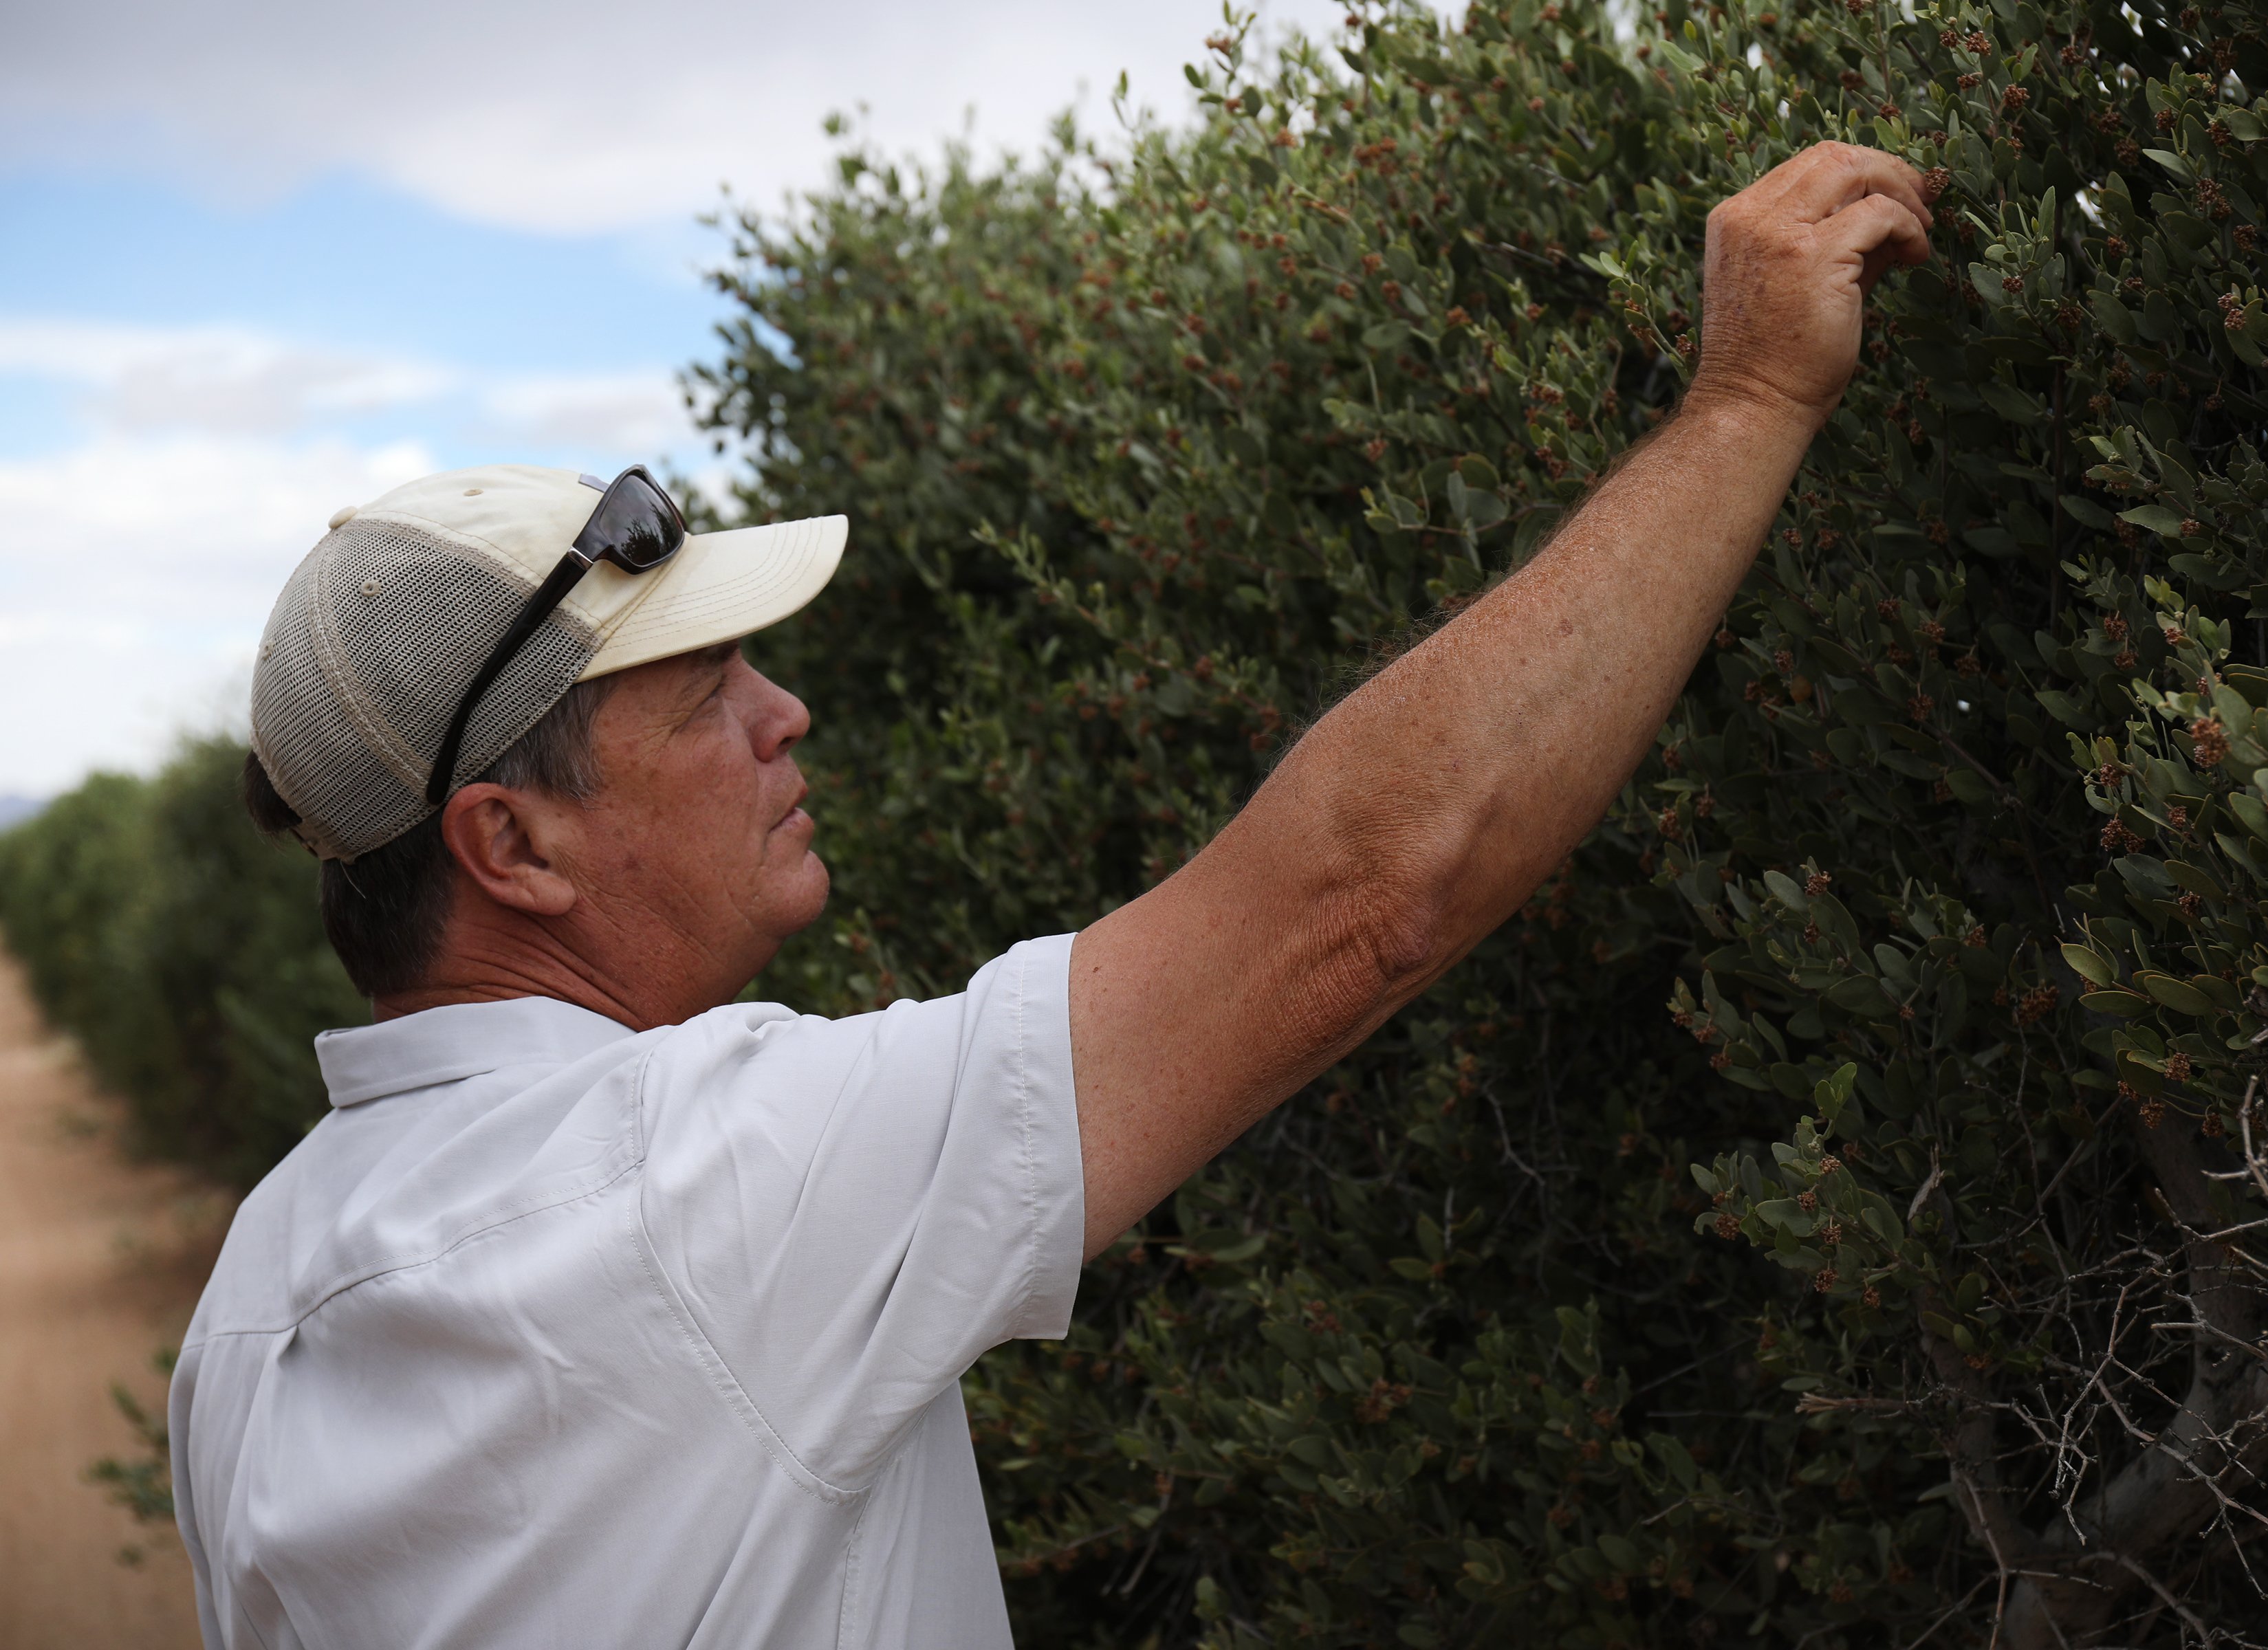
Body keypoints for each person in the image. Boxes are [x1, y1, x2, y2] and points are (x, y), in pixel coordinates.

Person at [170, 144, 1931, 1648]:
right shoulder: (697, 1184)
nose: (784, 714)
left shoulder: (251, 1306)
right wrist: (1753, 397)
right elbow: (1362, 895)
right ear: (515, 850)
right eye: (705, 698)